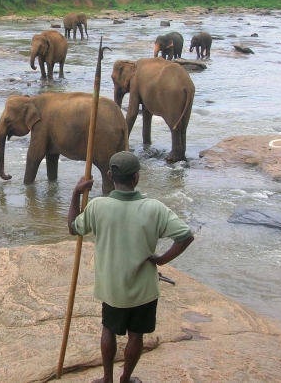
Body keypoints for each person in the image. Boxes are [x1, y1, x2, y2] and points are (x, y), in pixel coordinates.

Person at [68, 151, 194, 383]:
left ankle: (107, 379)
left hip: (112, 288)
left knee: (108, 330)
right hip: (143, 289)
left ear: (110, 175)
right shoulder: (154, 208)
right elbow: (185, 236)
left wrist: (76, 194)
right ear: (137, 177)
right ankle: (125, 378)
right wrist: (161, 260)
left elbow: (74, 228)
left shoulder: (98, 206)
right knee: (136, 335)